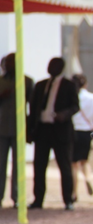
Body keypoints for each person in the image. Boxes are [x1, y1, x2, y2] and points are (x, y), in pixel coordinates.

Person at [27, 57, 79, 210]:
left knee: (65, 166)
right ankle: (38, 199)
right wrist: (30, 130)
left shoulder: (69, 85)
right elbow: (33, 109)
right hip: (42, 130)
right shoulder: (40, 85)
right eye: (50, 65)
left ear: (61, 68)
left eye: (54, 65)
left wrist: (63, 115)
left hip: (61, 131)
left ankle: (68, 200)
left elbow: (75, 106)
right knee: (39, 166)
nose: (50, 68)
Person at [0, 53, 34, 209]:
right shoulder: (1, 81)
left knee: (18, 165)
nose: (8, 65)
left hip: (19, 128)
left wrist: (30, 129)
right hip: (2, 128)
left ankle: (17, 197)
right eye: (7, 62)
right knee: (1, 164)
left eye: (12, 62)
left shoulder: (26, 81)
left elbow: (33, 105)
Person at [70, 74, 93, 203]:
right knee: (84, 160)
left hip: (73, 131)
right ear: (86, 84)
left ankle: (73, 192)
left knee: (73, 164)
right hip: (86, 132)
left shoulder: (71, 97)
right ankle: (87, 178)